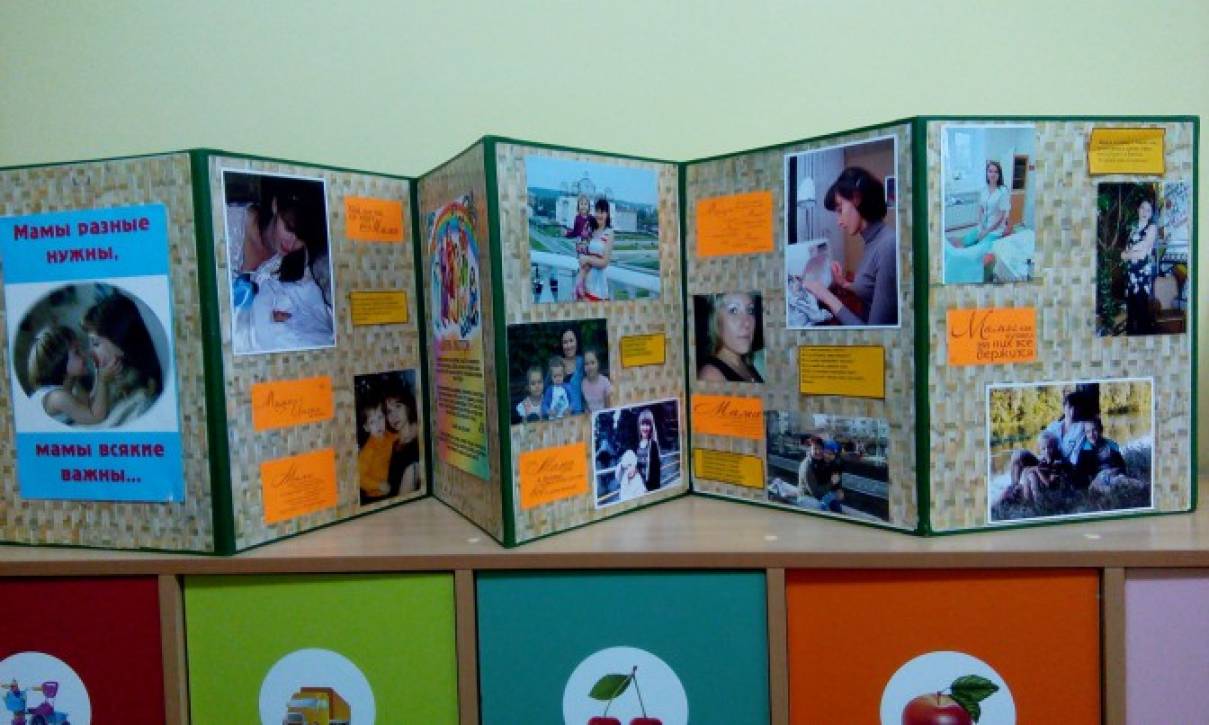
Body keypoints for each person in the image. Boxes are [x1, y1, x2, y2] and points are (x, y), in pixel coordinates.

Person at [230, 181, 334, 352]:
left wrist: (287, 318)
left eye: (301, 238)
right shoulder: (230, 224)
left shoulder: (298, 259)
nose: (292, 243)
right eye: (289, 228)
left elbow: (311, 310)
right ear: (275, 205)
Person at [801, 167, 898, 326]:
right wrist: (844, 284)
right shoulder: (873, 241)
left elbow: (875, 334)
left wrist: (826, 296)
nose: (839, 221)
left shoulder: (888, 246)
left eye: (840, 210)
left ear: (857, 198)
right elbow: (872, 291)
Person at [81, 290, 163, 427]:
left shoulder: (142, 404)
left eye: (95, 343)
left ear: (119, 342)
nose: (90, 351)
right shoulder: (113, 377)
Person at [26, 324, 118, 425]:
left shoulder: (72, 386)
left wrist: (98, 373)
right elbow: (95, 417)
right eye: (77, 352)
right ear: (60, 362)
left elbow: (88, 405)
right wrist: (102, 381)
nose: (85, 354)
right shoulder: (57, 397)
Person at [697, 292, 763, 383]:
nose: (747, 323)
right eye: (733, 311)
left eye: (750, 310)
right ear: (717, 321)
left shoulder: (746, 363)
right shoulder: (711, 376)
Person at [1121, 196, 1158, 335]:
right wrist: (1129, 253)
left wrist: (1128, 253)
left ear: (1151, 213)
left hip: (1142, 277)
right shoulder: (1132, 228)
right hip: (1131, 275)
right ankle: (1130, 339)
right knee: (1131, 312)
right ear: (1138, 210)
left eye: (1148, 210)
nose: (1145, 212)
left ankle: (1144, 340)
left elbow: (1143, 253)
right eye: (1142, 208)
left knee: (1142, 311)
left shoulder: (1152, 227)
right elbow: (1123, 254)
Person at [954, 160, 1012, 248]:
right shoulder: (984, 189)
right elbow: (981, 209)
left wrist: (986, 232)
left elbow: (1001, 217)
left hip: (995, 230)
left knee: (978, 249)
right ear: (987, 173)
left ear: (999, 174)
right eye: (990, 171)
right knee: (965, 241)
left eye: (996, 172)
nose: (993, 174)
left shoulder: (1003, 191)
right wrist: (981, 226)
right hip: (982, 226)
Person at [357, 396, 395, 503]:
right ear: (366, 427)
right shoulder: (368, 450)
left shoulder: (390, 436)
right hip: (375, 496)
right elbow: (359, 477)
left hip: (391, 487)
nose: (378, 424)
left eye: (380, 417)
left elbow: (401, 438)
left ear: (385, 418)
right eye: (372, 422)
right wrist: (378, 485)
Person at [385, 383, 421, 496]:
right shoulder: (394, 442)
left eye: (398, 406)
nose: (393, 416)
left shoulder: (416, 447)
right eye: (389, 411)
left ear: (408, 406)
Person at [579, 198, 614, 301]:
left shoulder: (609, 233)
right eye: (597, 211)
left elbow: (604, 263)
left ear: (607, 214)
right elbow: (584, 251)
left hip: (598, 287)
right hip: (585, 282)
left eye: (602, 212)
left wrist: (587, 259)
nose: (599, 215)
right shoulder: (591, 230)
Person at [566, 193, 594, 299]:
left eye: (585, 204)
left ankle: (581, 286)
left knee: (588, 266)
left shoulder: (591, 218)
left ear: (588, 206)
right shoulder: (577, 218)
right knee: (583, 265)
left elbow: (595, 230)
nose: (583, 206)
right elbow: (575, 232)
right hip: (581, 245)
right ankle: (579, 287)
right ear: (578, 206)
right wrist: (567, 234)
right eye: (581, 204)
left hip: (589, 244)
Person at [557, 328, 587, 414]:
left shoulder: (583, 362)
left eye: (571, 341)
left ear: (577, 342)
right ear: (561, 345)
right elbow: (546, 388)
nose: (569, 345)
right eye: (565, 342)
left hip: (580, 413)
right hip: (560, 415)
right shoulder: (557, 364)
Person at [635, 409, 663, 491]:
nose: (645, 428)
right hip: (639, 488)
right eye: (642, 424)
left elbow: (657, 473)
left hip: (649, 488)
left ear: (651, 426)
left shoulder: (653, 445)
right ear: (639, 426)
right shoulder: (638, 445)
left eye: (647, 424)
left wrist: (650, 490)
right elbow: (638, 465)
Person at [579, 348, 612, 412]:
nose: (590, 367)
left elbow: (608, 407)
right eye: (586, 364)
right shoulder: (583, 383)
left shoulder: (605, 382)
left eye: (593, 363)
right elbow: (586, 405)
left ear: (598, 364)